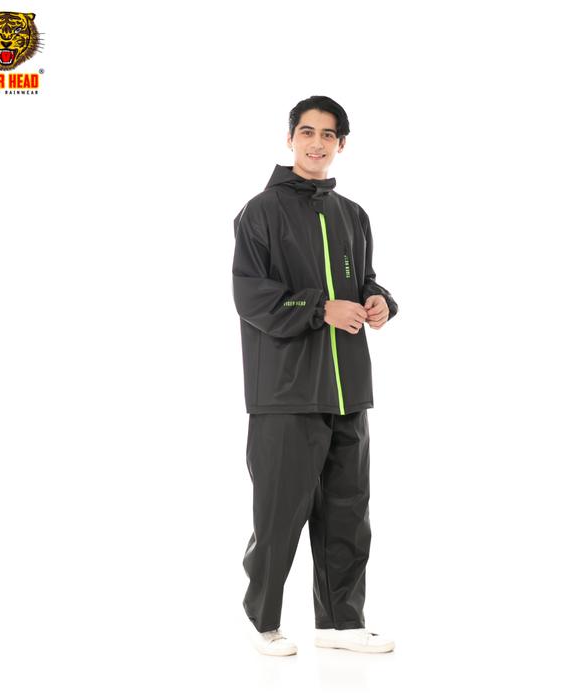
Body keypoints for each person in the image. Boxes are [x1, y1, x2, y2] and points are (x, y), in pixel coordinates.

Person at [232, 95, 398, 656]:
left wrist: (379, 300)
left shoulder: (352, 214)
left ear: (341, 144)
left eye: (329, 134)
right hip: (286, 391)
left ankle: (340, 623)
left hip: (348, 389)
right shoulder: (260, 212)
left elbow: (364, 279)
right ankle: (263, 621)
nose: (317, 143)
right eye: (307, 131)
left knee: (348, 513)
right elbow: (251, 296)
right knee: (280, 514)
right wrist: (321, 308)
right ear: (290, 138)